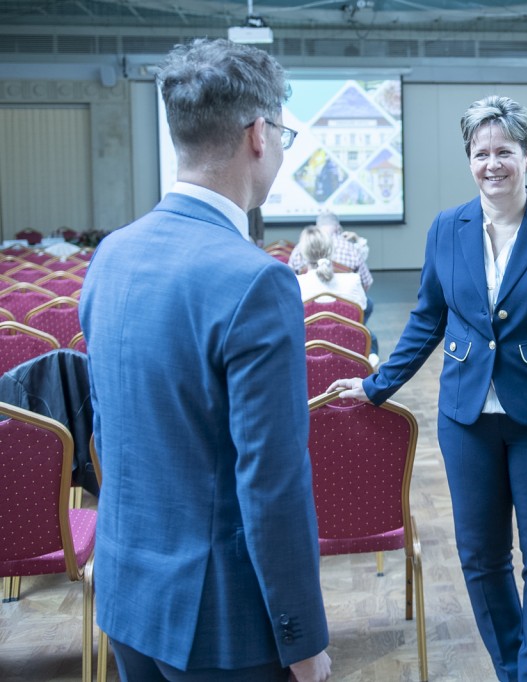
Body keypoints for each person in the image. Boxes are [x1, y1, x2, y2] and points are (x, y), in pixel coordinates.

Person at [79, 38, 331, 682]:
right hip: (223, 624)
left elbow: (108, 434)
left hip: (127, 596)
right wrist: (303, 639)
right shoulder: (256, 280)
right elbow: (272, 482)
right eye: (284, 134)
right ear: (258, 135)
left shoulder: (111, 256)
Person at [331, 94, 527, 681]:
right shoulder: (446, 228)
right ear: (469, 160)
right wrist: (379, 385)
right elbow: (428, 318)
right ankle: (514, 671)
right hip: (466, 417)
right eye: (481, 153)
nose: (492, 164)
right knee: (480, 558)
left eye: (504, 151)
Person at [296, 225, 368, 310]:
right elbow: (363, 307)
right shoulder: (353, 281)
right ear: (331, 251)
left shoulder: (296, 284)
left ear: (303, 254)